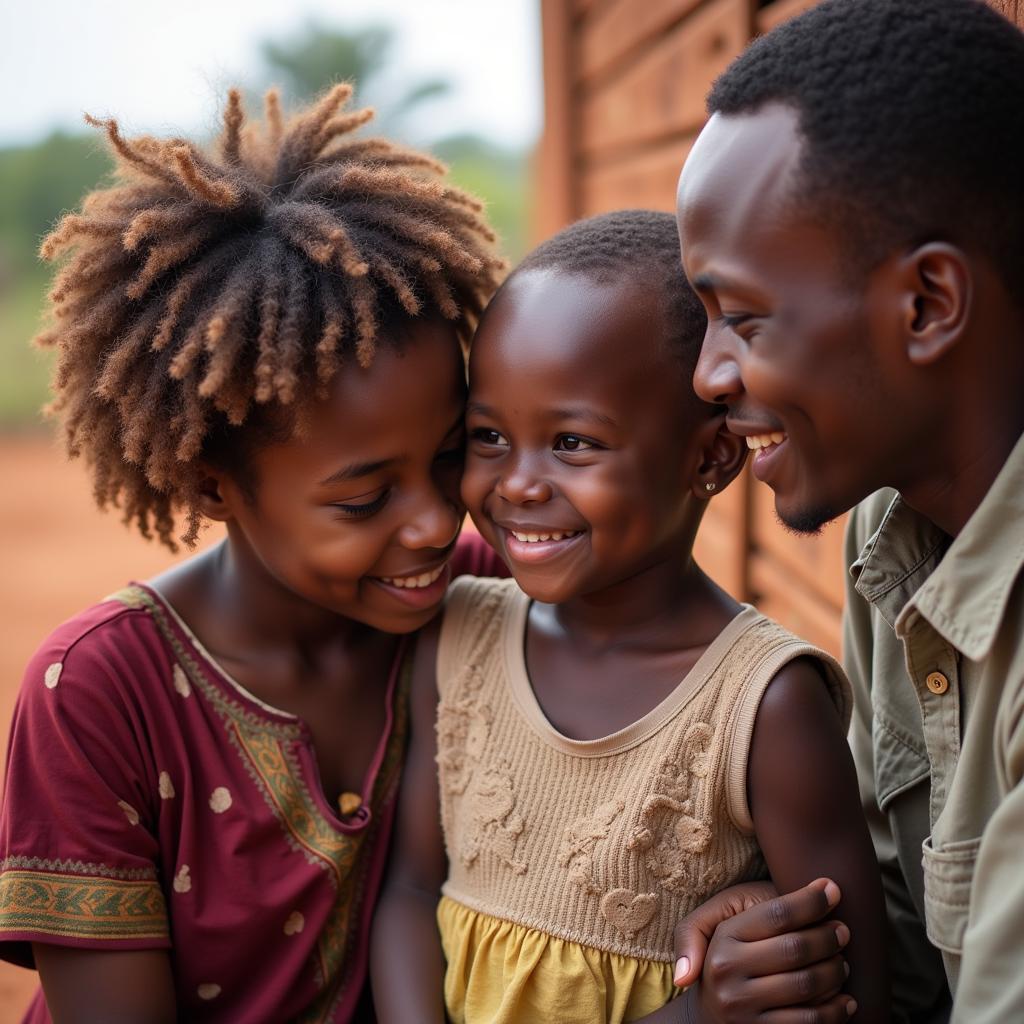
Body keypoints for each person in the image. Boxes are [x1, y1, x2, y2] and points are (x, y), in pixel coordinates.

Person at [0, 85, 508, 1023]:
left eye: (450, 457)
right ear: (209, 487)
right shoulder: (100, 696)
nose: (436, 522)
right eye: (364, 497)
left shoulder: (493, 596)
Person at [370, 210, 888, 1023]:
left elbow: (854, 988)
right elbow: (407, 888)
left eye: (572, 443)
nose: (518, 484)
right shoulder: (459, 634)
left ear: (710, 459)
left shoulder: (764, 705)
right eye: (488, 437)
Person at [673, 0, 1024, 1021]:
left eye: (741, 319)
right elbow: (898, 951)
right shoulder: (893, 532)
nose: (704, 375)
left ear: (925, 305)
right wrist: (794, 946)